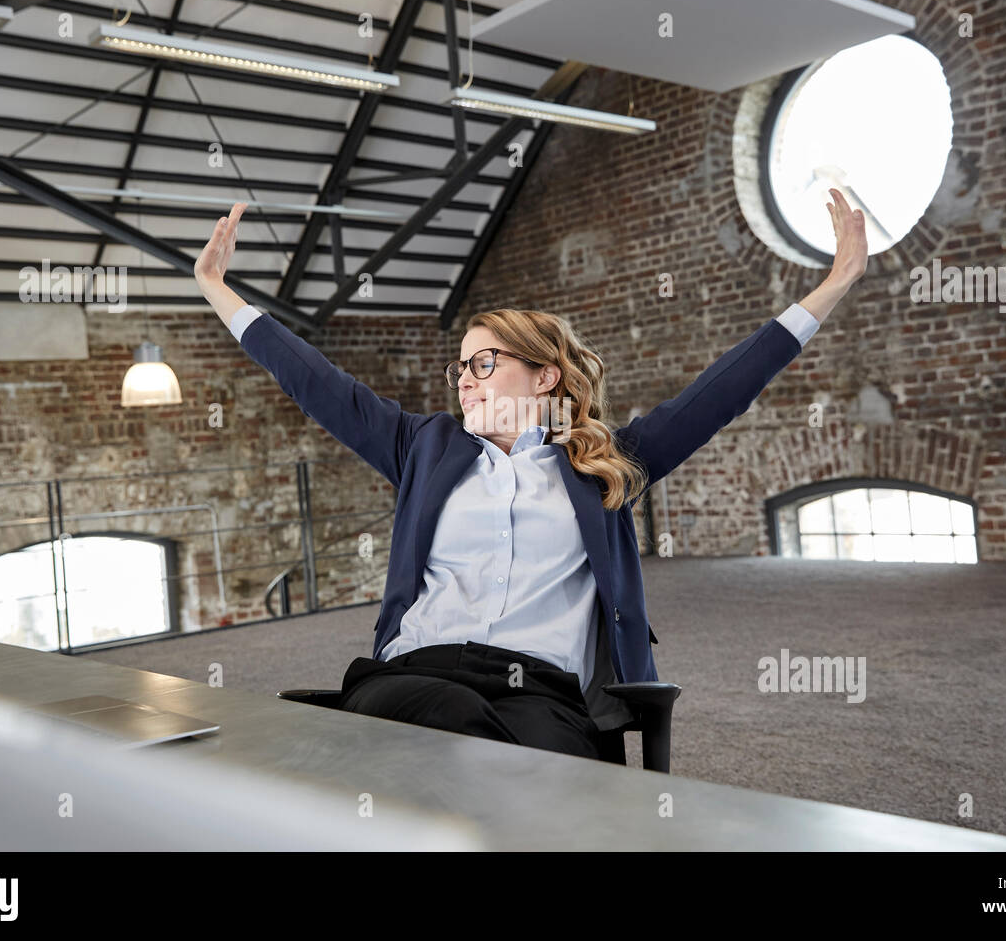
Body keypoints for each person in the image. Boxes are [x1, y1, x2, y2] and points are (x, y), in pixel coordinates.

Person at [194, 190, 868, 761]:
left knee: (522, 759)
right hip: (417, 672)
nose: (465, 379)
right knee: (469, 736)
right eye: (460, 367)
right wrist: (218, 291)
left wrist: (834, 283)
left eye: (484, 363)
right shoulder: (421, 447)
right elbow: (316, 382)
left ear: (543, 376)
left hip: (543, 693)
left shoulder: (603, 464)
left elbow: (721, 391)